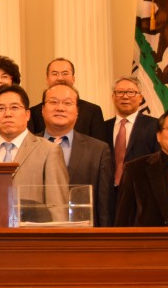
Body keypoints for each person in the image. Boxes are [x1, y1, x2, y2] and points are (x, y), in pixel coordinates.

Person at [0, 85, 69, 211]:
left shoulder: (49, 151)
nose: (7, 114)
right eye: (0, 109)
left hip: (32, 229)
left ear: (27, 114)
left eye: (14, 107)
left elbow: (58, 206)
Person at [40, 82, 113, 226]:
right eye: (53, 102)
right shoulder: (29, 147)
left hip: (83, 235)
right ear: (42, 109)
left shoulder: (98, 150)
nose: (60, 108)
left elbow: (105, 206)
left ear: (77, 111)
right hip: (36, 235)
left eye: (67, 103)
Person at [103, 76, 160, 189]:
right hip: (109, 192)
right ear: (113, 97)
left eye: (131, 92)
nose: (125, 96)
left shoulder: (155, 125)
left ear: (140, 98)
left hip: (141, 191)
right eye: (120, 92)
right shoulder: (103, 127)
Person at [28, 58, 104, 138]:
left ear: (73, 79)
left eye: (65, 73)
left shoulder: (92, 111)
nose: (60, 78)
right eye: (54, 74)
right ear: (47, 79)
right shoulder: (33, 113)